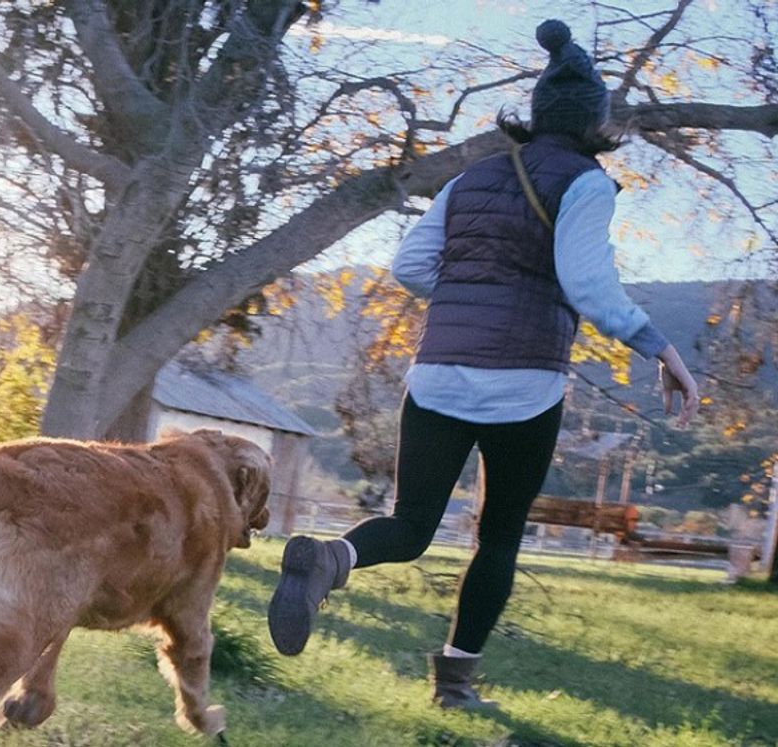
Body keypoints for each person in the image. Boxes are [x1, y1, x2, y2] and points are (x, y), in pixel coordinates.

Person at [264, 19, 700, 710]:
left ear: (534, 113)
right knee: (497, 537)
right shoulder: (587, 183)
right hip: (523, 383)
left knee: (410, 526)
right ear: (596, 122)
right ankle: (455, 687)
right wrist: (663, 348)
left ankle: (330, 559)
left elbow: (409, 266)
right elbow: (586, 285)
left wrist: (472, 291)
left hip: (437, 372)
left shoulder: (473, 176)